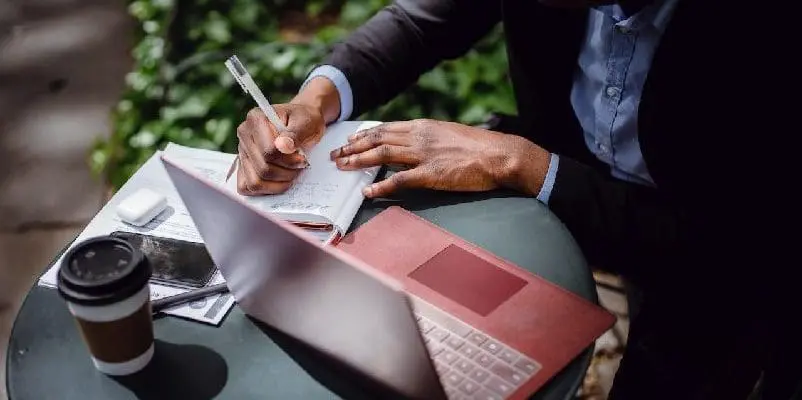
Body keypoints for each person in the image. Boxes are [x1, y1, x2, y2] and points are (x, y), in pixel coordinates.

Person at [234, 1, 796, 398]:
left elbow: (734, 246)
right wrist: (318, 97)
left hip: (724, 255)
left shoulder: (763, 34)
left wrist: (521, 163)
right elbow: (423, 19)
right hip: (579, 178)